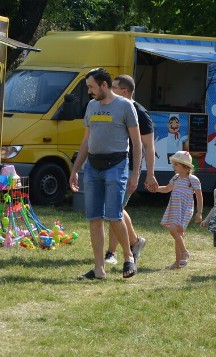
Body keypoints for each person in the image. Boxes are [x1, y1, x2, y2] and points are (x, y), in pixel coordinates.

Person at [69, 68, 142, 280]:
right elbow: (86, 141)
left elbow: (137, 144)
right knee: (94, 218)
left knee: (114, 215)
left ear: (104, 85)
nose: (89, 91)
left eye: (91, 87)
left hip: (116, 165)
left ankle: (129, 257)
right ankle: (99, 269)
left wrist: (135, 173)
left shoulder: (125, 106)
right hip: (92, 167)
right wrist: (75, 170)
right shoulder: (91, 106)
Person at [103, 74, 158, 266]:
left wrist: (149, 174)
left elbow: (149, 147)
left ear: (124, 91)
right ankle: (133, 243)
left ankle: (114, 251)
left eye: (114, 87)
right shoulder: (114, 108)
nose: (110, 90)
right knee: (115, 208)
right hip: (113, 165)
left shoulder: (139, 113)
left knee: (115, 208)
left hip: (129, 169)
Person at [156, 150, 203, 269]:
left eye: (176, 164)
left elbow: (199, 196)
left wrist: (199, 212)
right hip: (175, 208)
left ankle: (184, 253)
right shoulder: (176, 178)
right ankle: (178, 263)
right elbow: (167, 189)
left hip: (185, 209)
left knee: (174, 229)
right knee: (179, 233)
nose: (173, 166)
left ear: (185, 167)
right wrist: (155, 189)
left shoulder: (192, 179)